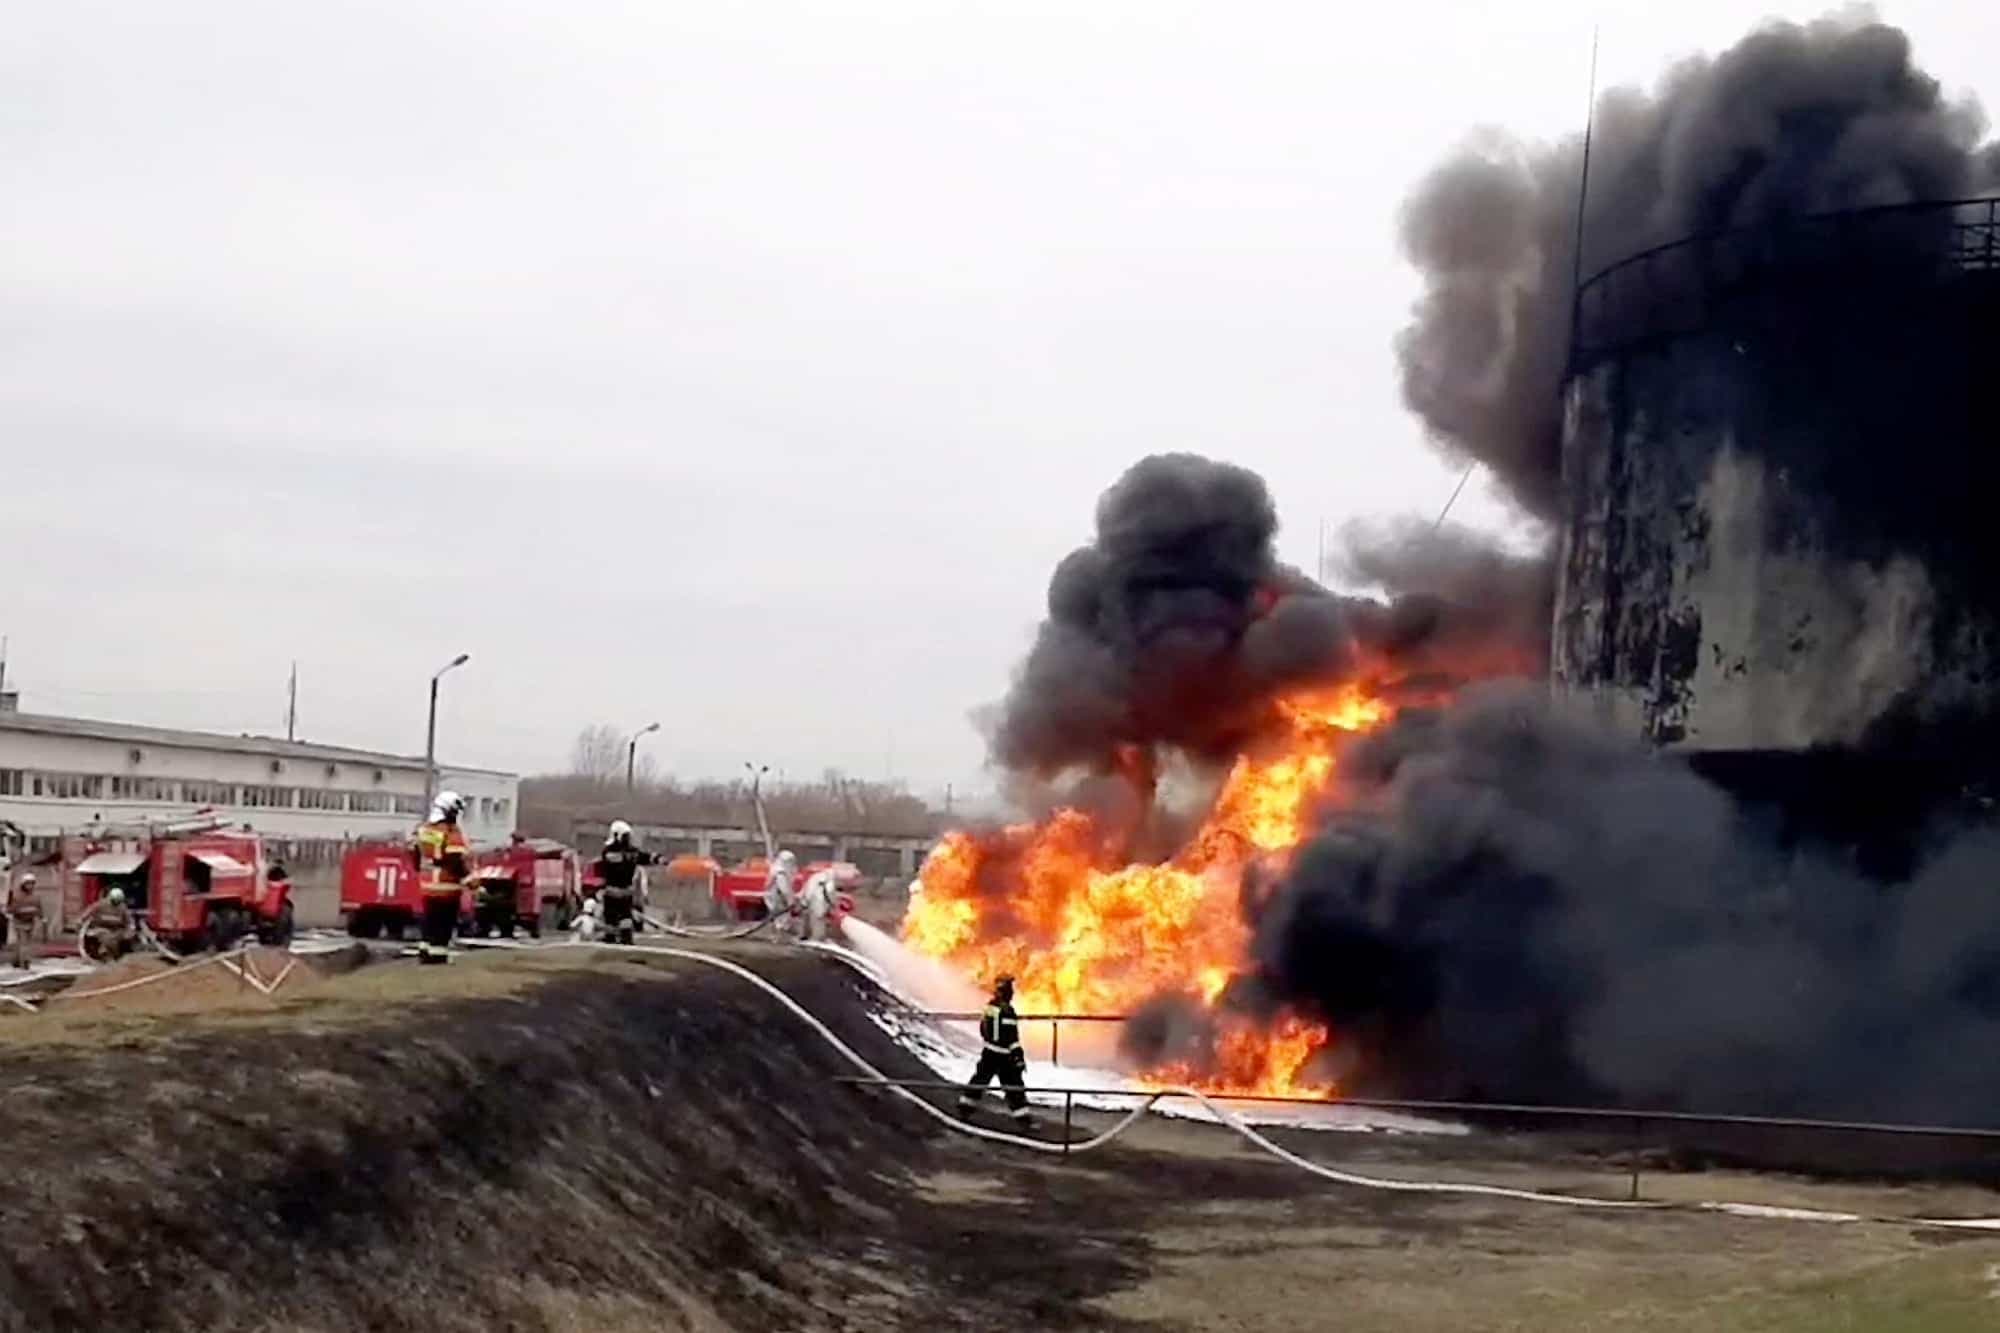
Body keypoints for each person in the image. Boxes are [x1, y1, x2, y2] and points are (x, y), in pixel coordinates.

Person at [956, 975, 1033, 1129]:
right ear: (1007, 992)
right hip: (1004, 1056)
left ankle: (964, 1110)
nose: (1013, 993)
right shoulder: (1007, 1011)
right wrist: (1018, 1058)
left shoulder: (990, 1007)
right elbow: (1012, 1038)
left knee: (979, 1080)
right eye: (1011, 990)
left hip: (989, 1052)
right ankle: (1024, 1122)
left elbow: (983, 1029)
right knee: (1014, 1086)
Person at [413, 790, 471, 965]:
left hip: (427, 885)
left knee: (428, 921)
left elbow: (414, 854)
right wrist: (469, 880)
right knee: (443, 923)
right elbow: (455, 860)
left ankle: (425, 953)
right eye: (454, 812)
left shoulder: (424, 830)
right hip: (447, 886)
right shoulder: (451, 832)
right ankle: (438, 957)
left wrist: (421, 871)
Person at [591, 820, 653, 946]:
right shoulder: (631, 853)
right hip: (624, 892)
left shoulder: (609, 852)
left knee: (615, 917)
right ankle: (624, 938)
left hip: (613, 892)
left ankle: (614, 938)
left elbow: (608, 866)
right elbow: (644, 857)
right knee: (623, 916)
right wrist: (657, 859)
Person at [81, 887, 137, 962]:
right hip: (100, 928)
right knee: (108, 938)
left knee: (122, 937)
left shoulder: (122, 907)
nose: (116, 903)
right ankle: (106, 955)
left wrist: (131, 929)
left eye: (118, 901)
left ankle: (118, 956)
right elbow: (86, 915)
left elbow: (129, 920)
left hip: (117, 930)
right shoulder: (100, 905)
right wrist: (81, 922)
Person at [5, 874, 41, 971]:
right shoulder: (17, 896)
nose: (30, 886)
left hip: (30, 922)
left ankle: (16, 960)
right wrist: (23, 910)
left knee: (25, 942)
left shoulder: (35, 896)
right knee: (23, 943)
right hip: (19, 922)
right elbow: (11, 909)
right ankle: (24, 962)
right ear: (23, 884)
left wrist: (41, 917)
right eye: (28, 884)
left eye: (32, 884)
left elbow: (39, 908)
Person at [799, 866, 840, 943]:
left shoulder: (814, 877)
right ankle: (816, 942)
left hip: (808, 904)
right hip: (819, 906)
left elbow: (805, 890)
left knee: (807, 924)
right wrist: (834, 904)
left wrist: (803, 902)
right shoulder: (829, 881)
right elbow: (829, 893)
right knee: (818, 926)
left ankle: (804, 941)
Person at [762, 849, 798, 936]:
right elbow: (784, 889)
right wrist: (790, 901)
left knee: (778, 918)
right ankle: (779, 937)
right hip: (778, 898)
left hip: (774, 897)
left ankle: (776, 936)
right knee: (781, 919)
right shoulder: (781, 872)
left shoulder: (775, 868)